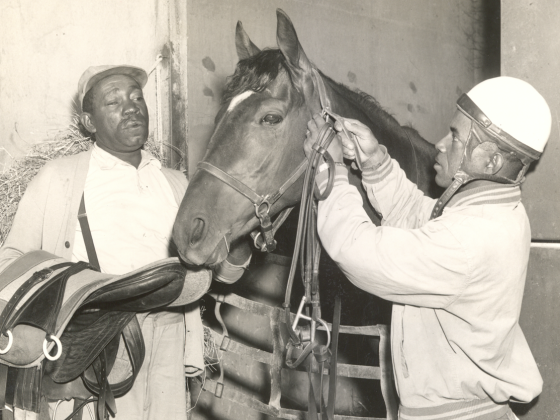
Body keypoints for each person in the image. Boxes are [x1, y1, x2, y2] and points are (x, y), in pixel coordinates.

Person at [0, 64, 251, 419]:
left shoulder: (177, 182)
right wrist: (77, 285)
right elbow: (11, 261)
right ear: (89, 122)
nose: (131, 106)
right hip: (99, 340)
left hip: (170, 333)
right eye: (114, 101)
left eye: (137, 97)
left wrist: (242, 235)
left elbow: (224, 272)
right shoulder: (60, 178)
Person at [303, 76, 551, 420]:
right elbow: (423, 220)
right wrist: (374, 163)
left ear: (491, 162)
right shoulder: (495, 211)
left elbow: (356, 250)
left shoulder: (471, 239)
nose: (440, 144)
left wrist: (331, 174)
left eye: (456, 136)